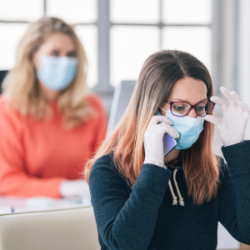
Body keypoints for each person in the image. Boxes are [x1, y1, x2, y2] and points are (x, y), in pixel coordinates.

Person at [85, 50, 250, 249]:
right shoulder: (108, 170)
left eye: (200, 107)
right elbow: (124, 246)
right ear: (152, 107)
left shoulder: (213, 168)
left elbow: (247, 232)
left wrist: (237, 149)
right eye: (180, 107)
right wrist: (154, 165)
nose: (192, 118)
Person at [0, 17, 107, 198]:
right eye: (55, 53)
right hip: (31, 215)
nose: (64, 61)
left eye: (71, 54)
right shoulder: (8, 109)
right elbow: (6, 180)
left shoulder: (92, 106)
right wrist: (62, 188)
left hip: (84, 210)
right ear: (33, 57)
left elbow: (104, 167)